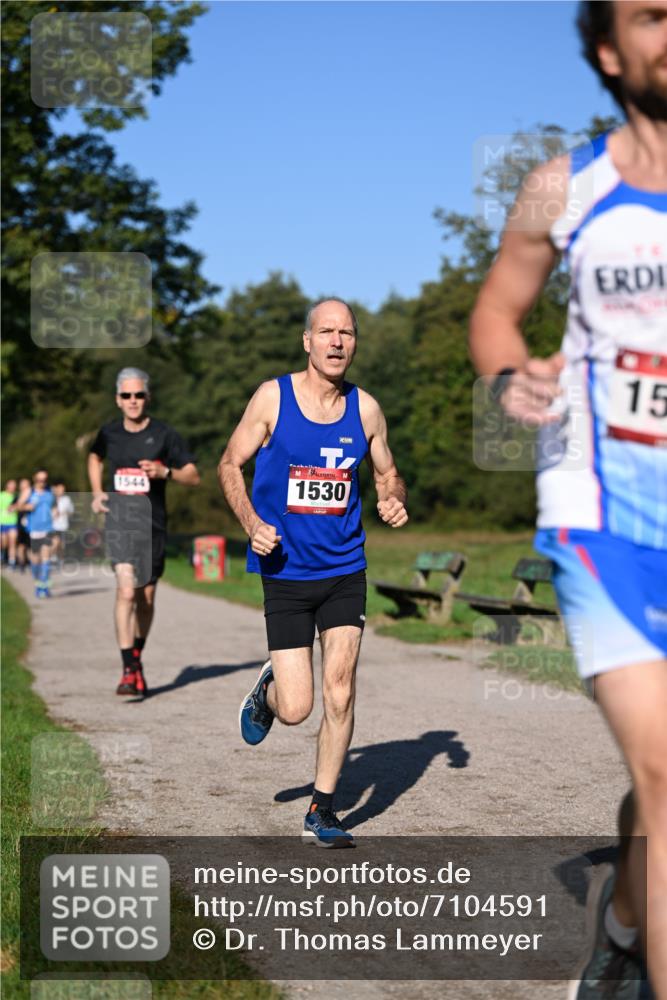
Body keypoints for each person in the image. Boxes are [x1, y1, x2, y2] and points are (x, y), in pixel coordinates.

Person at [469, 2, 667, 996]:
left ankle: (624, 918)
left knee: (658, 783)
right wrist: (512, 381)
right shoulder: (565, 185)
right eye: (654, 14)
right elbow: (500, 314)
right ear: (607, 49)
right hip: (605, 515)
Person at [219, 297, 408, 848]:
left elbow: (388, 471)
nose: (336, 341)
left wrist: (393, 497)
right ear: (307, 341)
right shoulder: (272, 398)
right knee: (298, 708)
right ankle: (270, 689)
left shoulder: (366, 410)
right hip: (284, 570)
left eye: (346, 332)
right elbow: (230, 463)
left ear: (354, 342)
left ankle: (322, 811)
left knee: (341, 689)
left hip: (346, 568)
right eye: (325, 331)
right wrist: (251, 521)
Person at [88, 367, 200, 697]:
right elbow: (94, 456)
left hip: (152, 526)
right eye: (127, 396)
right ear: (118, 400)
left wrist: (165, 471)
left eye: (139, 395)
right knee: (125, 592)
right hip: (120, 523)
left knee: (146, 598)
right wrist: (96, 492)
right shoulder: (109, 433)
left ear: (147, 398)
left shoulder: (165, 435)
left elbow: (193, 476)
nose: (133, 401)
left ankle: (136, 653)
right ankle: (128, 669)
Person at [17, 470, 55, 598]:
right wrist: (27, 507)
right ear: (34, 479)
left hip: (48, 528)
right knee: (35, 558)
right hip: (34, 529)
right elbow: (18, 506)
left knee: (46, 556)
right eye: (39, 480)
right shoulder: (29, 491)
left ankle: (43, 586)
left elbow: (54, 506)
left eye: (44, 480)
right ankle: (38, 582)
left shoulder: (50, 491)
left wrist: (56, 512)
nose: (42, 483)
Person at [51, 480, 74, 566]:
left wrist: (65, 513)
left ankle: (60, 559)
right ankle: (51, 557)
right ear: (56, 489)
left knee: (61, 545)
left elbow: (71, 511)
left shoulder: (67, 499)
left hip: (63, 525)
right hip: (53, 525)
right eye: (60, 489)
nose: (61, 491)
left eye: (63, 489)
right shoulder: (51, 499)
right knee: (55, 542)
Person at [0, 478, 19, 569]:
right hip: (2, 523)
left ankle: (12, 562)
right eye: (11, 485)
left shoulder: (16, 497)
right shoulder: (2, 495)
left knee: (12, 543)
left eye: (14, 486)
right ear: (7, 486)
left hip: (12, 523)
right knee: (4, 543)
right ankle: (3, 555)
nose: (13, 487)